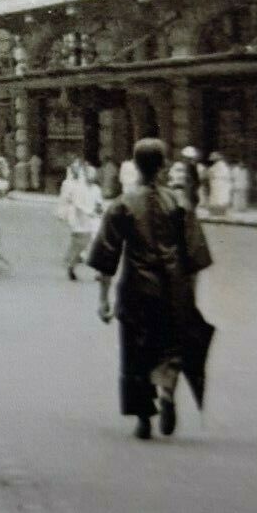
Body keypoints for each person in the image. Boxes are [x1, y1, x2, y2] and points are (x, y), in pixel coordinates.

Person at [87, 137, 215, 441]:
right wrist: (190, 297)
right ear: (163, 166)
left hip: (135, 290)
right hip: (174, 289)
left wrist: (103, 299)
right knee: (171, 347)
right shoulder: (180, 204)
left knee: (135, 352)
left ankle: (144, 417)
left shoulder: (122, 205)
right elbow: (194, 256)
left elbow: (107, 255)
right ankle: (168, 390)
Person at [58, 160, 95, 281]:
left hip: (86, 218)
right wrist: (87, 212)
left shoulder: (90, 188)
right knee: (81, 240)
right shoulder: (76, 186)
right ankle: (71, 262)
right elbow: (76, 203)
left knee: (83, 240)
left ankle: (73, 261)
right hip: (79, 217)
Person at [208, 153, 231, 219]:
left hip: (219, 183)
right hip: (219, 183)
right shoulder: (222, 166)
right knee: (220, 198)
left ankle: (218, 212)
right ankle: (219, 212)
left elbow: (211, 174)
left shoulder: (218, 166)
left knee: (218, 198)